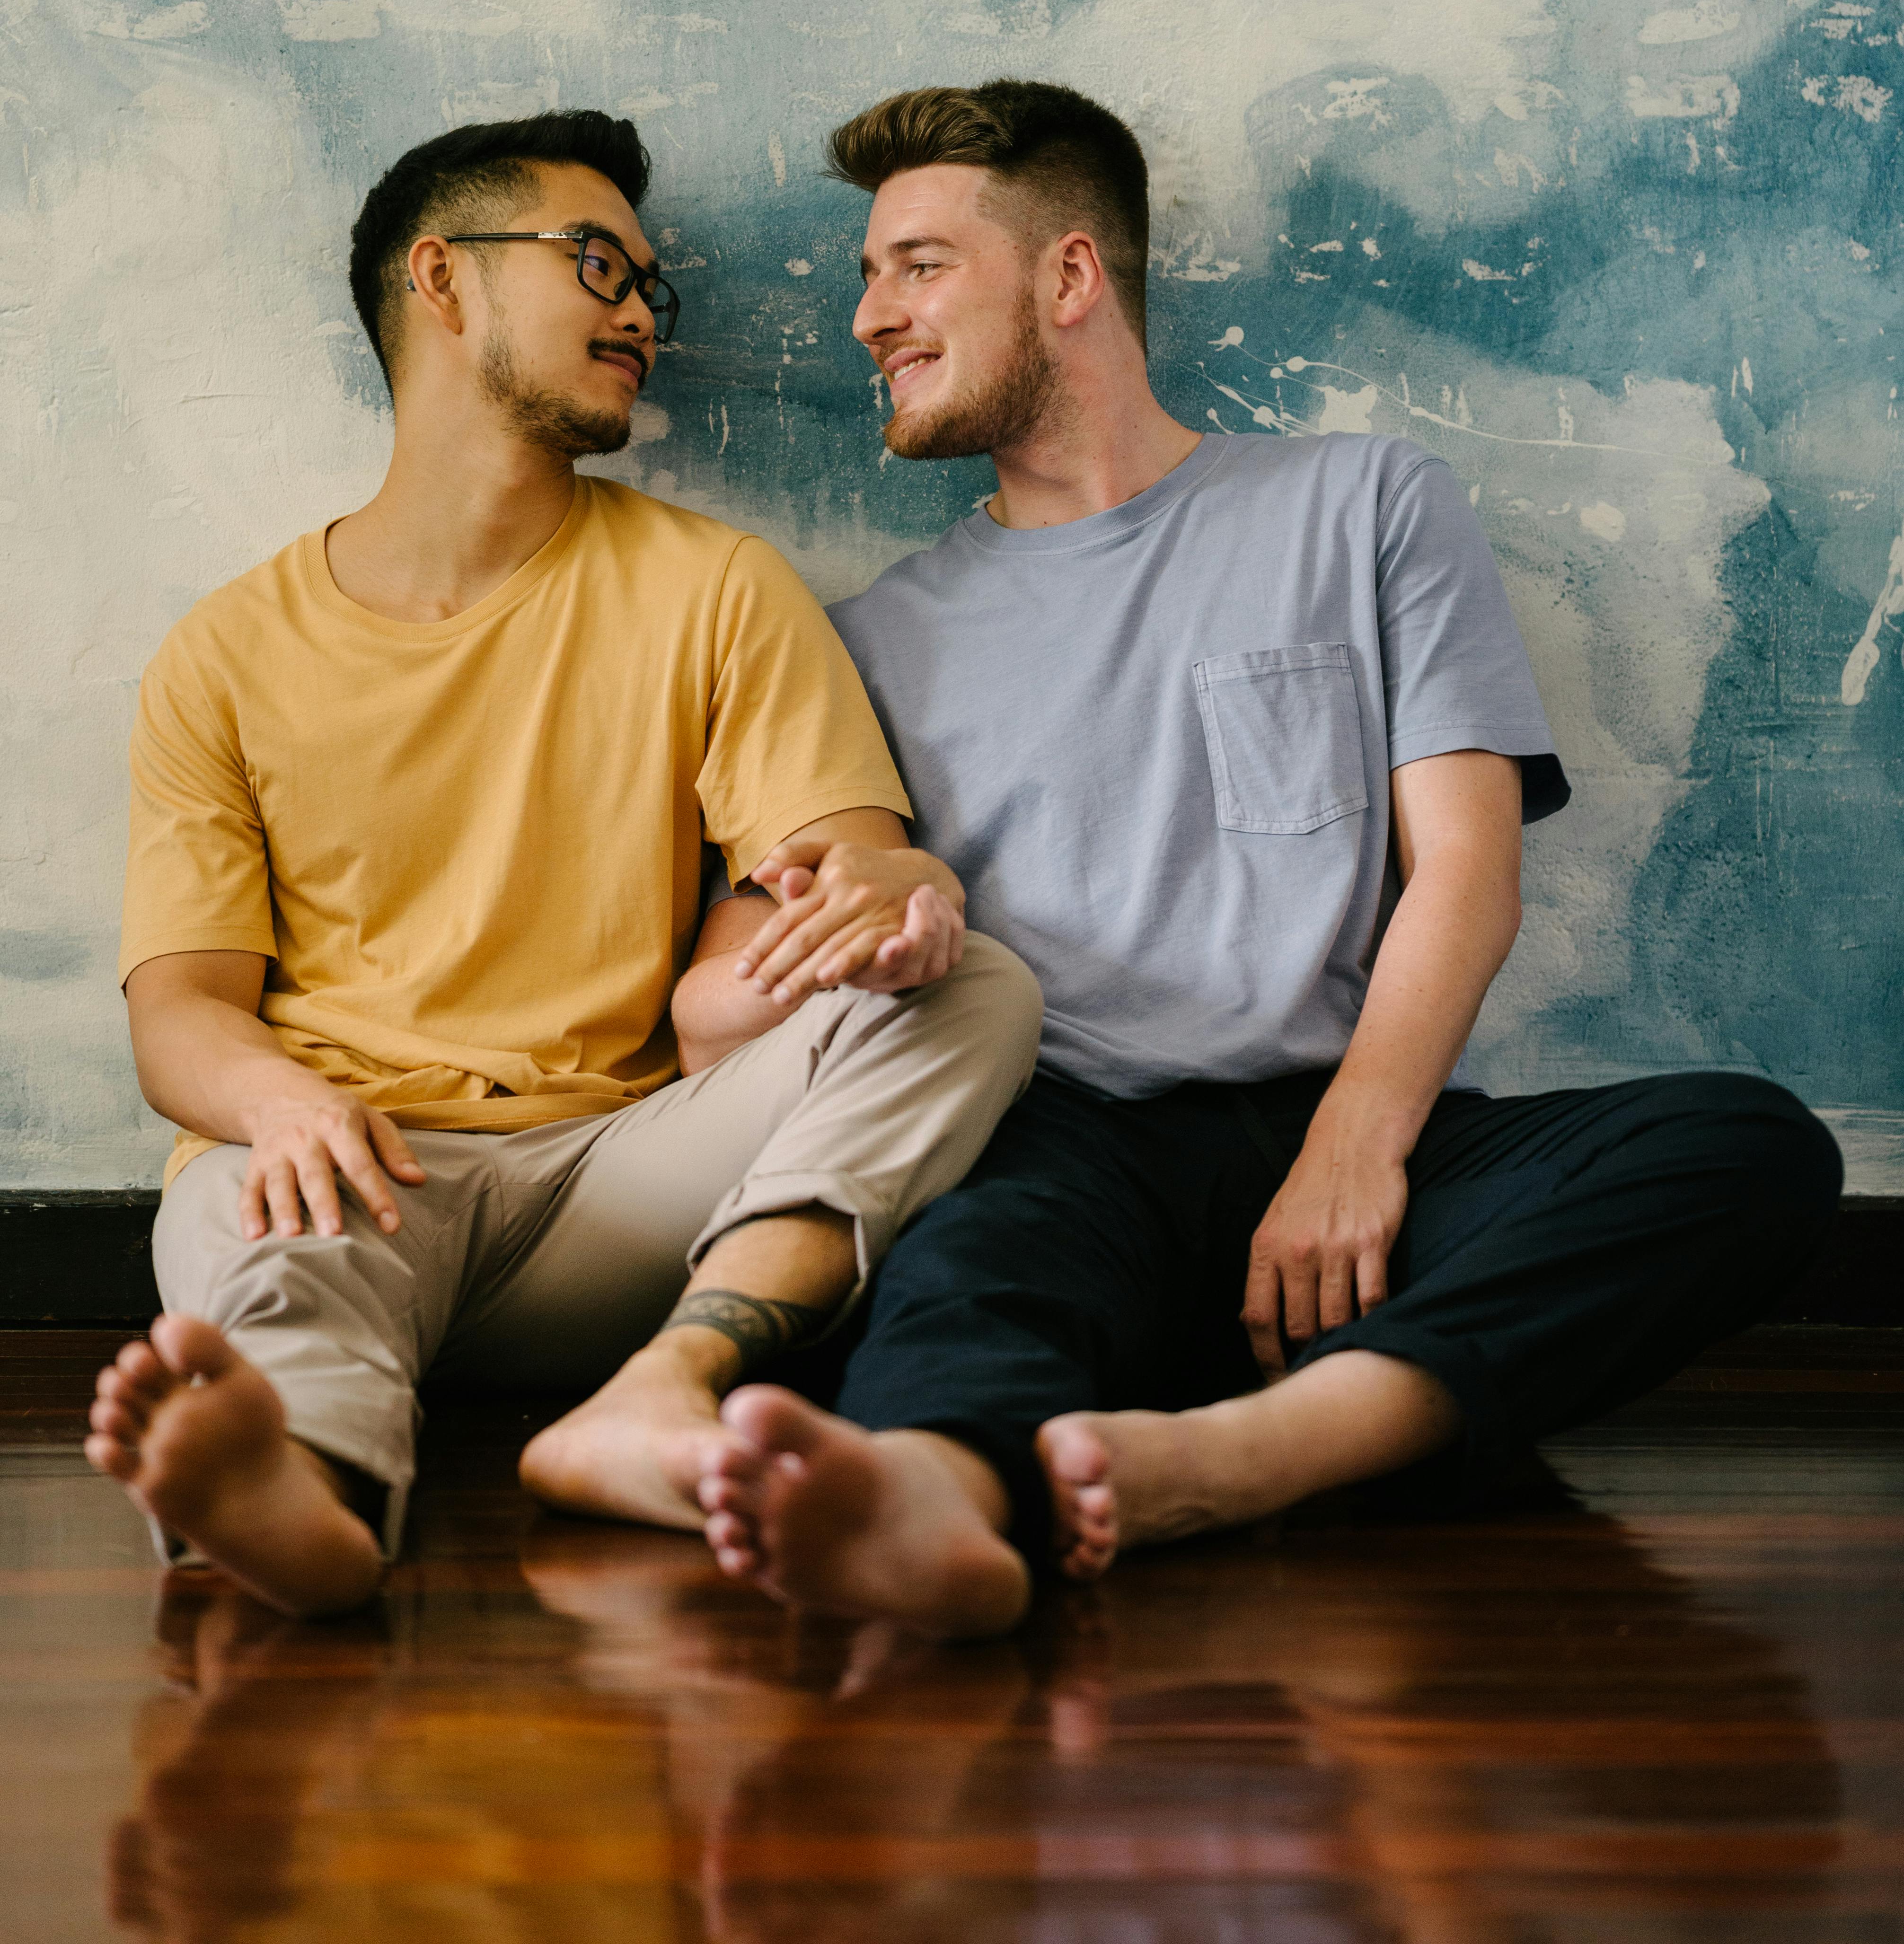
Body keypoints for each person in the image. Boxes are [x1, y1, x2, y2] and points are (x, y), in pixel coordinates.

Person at [696, 80, 1845, 1638]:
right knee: (963, 1263)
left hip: (1341, 1141)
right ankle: (943, 1507)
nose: (867, 317)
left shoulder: (1361, 503)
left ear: (1070, 277)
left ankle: (1239, 1459)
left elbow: (1469, 869)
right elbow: (723, 992)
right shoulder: (873, 638)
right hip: (1061, 1147)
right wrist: (865, 942)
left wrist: (1357, 1147)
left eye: (914, 265)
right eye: (866, 275)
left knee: (1748, 1150)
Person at [84, 109, 1041, 1618]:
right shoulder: (226, 654)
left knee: (976, 984)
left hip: (622, 1192)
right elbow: (182, 1012)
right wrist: (285, 1102)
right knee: (240, 1206)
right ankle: (306, 1493)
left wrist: (892, 901)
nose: (640, 312)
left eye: (652, 286)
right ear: (441, 279)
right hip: (358, 1173)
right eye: (597, 263)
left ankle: (669, 1386)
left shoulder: (714, 588)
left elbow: (846, 863)